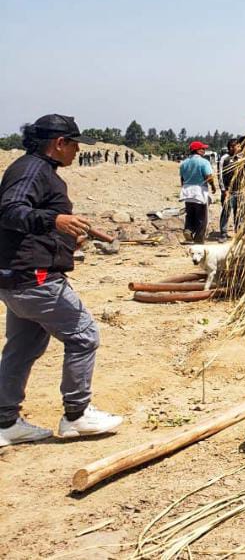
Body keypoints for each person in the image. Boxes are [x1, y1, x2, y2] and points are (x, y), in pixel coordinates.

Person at [0, 115, 124, 446]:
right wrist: (54, 218)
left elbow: (27, 226)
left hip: (17, 279)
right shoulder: (32, 170)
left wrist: (68, 240)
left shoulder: (35, 170)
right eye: (75, 144)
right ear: (60, 143)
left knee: (23, 348)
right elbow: (10, 211)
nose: (77, 151)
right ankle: (76, 415)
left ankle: (5, 423)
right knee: (84, 335)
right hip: (36, 280)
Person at [179, 141, 216, 243]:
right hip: (199, 191)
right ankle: (199, 239)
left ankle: (188, 229)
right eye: (202, 149)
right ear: (197, 150)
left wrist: (184, 187)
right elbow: (208, 177)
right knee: (201, 217)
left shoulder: (184, 163)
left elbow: (182, 178)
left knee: (190, 214)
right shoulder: (204, 162)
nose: (204, 150)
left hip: (187, 191)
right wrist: (213, 186)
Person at [218, 139, 241, 239]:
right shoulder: (224, 159)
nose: (240, 148)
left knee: (239, 213)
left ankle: (238, 233)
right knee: (226, 212)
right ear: (231, 147)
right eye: (238, 146)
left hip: (239, 191)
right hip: (228, 191)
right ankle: (223, 233)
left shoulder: (240, 158)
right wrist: (224, 190)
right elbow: (220, 175)